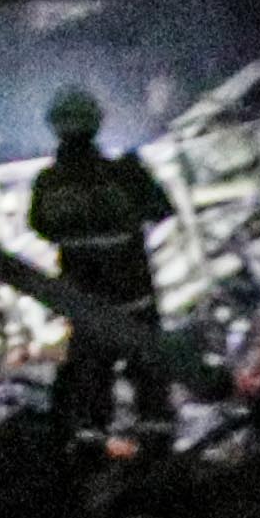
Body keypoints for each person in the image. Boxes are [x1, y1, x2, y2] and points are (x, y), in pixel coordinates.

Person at [24, 86, 170, 450]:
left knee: (90, 380)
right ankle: (160, 454)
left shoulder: (48, 183)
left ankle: (89, 456)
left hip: (85, 303)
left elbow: (41, 225)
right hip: (133, 296)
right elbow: (162, 208)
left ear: (55, 128)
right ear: (97, 123)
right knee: (149, 377)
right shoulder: (124, 173)